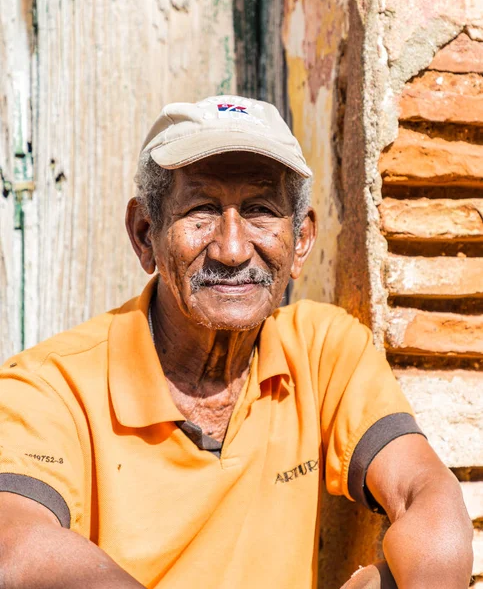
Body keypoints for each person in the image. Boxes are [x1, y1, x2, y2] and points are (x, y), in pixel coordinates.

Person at [0, 95, 472, 589]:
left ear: (301, 241)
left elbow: (426, 496)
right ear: (145, 235)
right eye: (201, 210)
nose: (232, 249)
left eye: (260, 211)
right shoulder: (51, 386)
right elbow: (16, 541)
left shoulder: (321, 351)